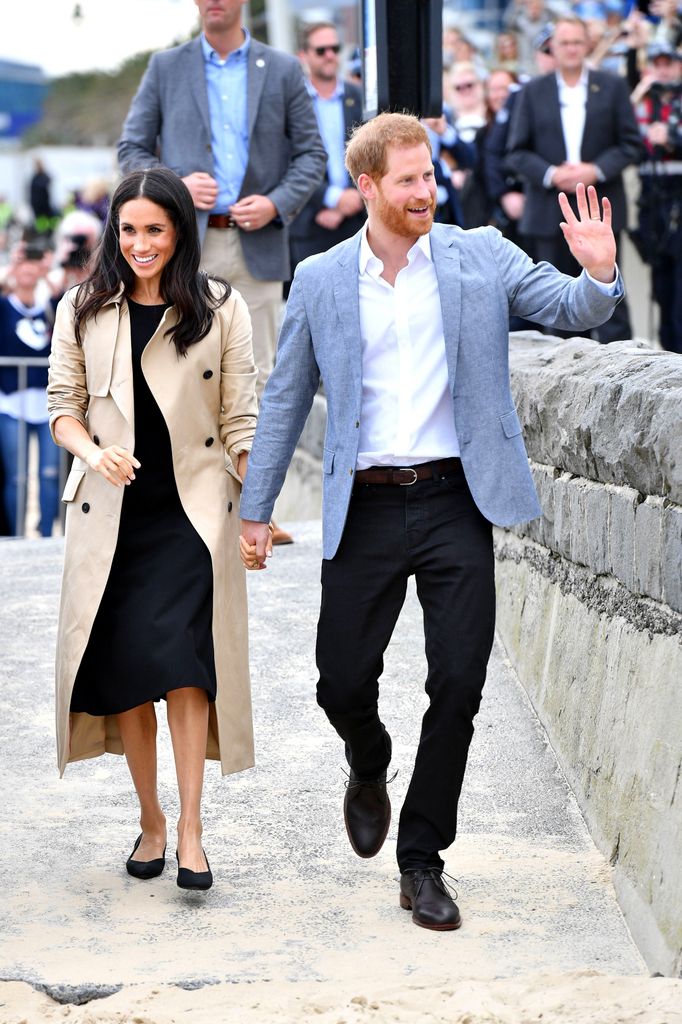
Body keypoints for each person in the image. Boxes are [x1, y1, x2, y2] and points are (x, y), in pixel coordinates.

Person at [239, 113, 623, 930]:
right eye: (408, 179)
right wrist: (255, 508)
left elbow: (567, 307)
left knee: (458, 681)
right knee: (340, 679)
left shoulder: (478, 253)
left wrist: (597, 274)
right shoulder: (320, 279)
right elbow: (283, 399)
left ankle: (422, 860)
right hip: (367, 504)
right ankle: (367, 758)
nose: (427, 191)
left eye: (429, 175)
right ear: (368, 185)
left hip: (456, 498)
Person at [47, 168, 260, 891]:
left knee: (185, 668)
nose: (141, 244)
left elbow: (240, 420)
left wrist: (253, 505)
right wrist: (92, 451)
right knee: (133, 676)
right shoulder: (82, 306)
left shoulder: (221, 308)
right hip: (112, 518)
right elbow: (62, 407)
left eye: (156, 230)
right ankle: (151, 819)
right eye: (129, 229)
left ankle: (193, 831)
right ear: (115, 231)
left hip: (191, 517)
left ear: (179, 233)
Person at [118, 0, 327, 545]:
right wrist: (174, 185)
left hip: (256, 246)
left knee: (256, 380)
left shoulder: (282, 69)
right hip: (186, 245)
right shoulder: (167, 67)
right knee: (180, 374)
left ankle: (256, 510)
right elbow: (132, 149)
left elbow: (312, 155)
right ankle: (188, 508)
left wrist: (278, 202)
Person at [505, 15, 645, 342]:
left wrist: (593, 170)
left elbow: (630, 144)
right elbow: (516, 151)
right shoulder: (532, 91)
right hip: (549, 211)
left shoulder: (611, 86)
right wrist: (553, 174)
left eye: (576, 42)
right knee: (557, 300)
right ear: (552, 46)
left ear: (588, 45)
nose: (570, 49)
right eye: (564, 42)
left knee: (609, 295)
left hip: (599, 208)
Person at [287, 21, 365, 281]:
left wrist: (348, 201)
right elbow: (285, 162)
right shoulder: (289, 103)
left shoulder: (361, 97)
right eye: (321, 50)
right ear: (304, 55)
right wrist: (330, 199)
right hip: (311, 222)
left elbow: (374, 156)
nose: (330, 55)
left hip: (358, 219)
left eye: (335, 48)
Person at [0, 243, 60, 536]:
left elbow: (68, 304)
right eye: (22, 261)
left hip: (48, 403)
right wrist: (10, 270)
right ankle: (16, 535)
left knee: (50, 475)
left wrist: (48, 274)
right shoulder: (4, 306)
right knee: (16, 477)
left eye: (33, 261)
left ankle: (46, 534)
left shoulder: (51, 306)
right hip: (11, 403)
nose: (27, 266)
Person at [631, 42, 682, 352]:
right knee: (661, 288)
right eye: (657, 64)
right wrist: (638, 92)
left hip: (679, 195)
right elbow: (618, 129)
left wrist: (673, 136)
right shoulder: (642, 102)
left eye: (669, 63)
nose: (663, 70)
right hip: (652, 199)